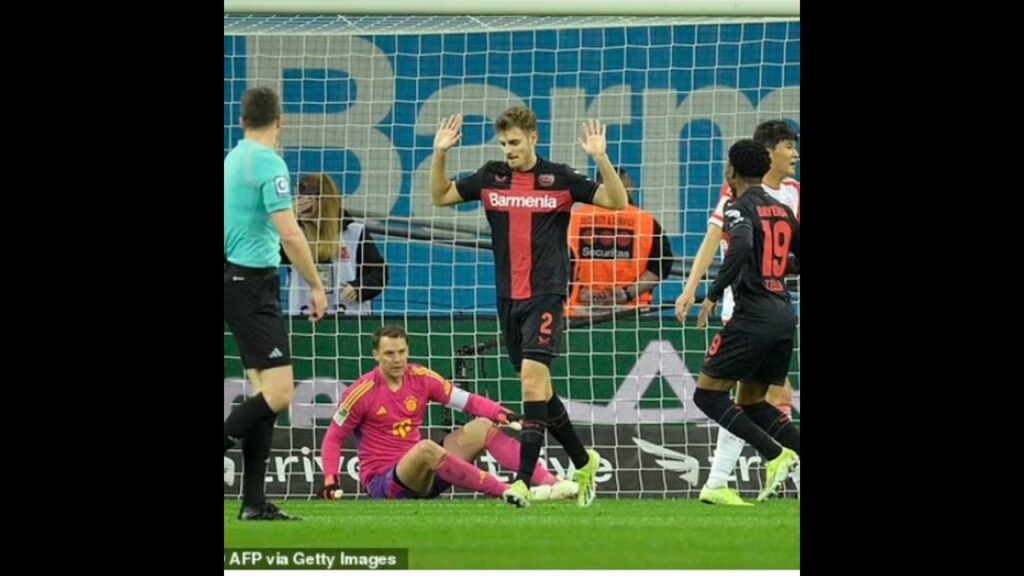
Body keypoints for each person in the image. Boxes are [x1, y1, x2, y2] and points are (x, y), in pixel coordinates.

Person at [429, 107, 629, 507]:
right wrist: (440, 153)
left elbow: (616, 201)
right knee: (541, 390)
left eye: (515, 142)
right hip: (508, 299)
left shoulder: (560, 178)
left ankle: (522, 481)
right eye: (504, 143)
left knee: (532, 385)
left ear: (534, 138)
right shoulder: (490, 177)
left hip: (546, 295)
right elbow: (440, 196)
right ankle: (583, 461)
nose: (509, 150)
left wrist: (600, 157)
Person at [675, 120, 801, 505]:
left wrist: (711, 294)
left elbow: (741, 245)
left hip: (752, 314)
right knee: (753, 402)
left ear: (732, 171)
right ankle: (721, 482)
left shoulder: (738, 206)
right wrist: (776, 267)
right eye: (789, 146)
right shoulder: (783, 209)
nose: (795, 153)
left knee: (707, 395)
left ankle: (776, 455)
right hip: (783, 312)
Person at [318, 325, 578, 506]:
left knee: (482, 426)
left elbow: (468, 401)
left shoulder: (421, 377)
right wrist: (331, 479)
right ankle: (509, 491)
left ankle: (553, 484)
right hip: (386, 484)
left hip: (426, 476)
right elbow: (333, 437)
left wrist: (504, 414)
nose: (397, 359)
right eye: (389, 354)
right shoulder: (361, 392)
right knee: (425, 448)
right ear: (376, 355)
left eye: (401, 352)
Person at [223, 86, 327, 521]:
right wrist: (316, 285)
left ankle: (253, 502)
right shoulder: (269, 162)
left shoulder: (233, 158)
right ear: (280, 122)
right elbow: (290, 234)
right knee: (281, 393)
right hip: (252, 284)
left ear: (242, 120)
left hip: (238, 278)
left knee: (264, 396)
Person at [566, 166, 674, 317]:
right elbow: (661, 266)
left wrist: (577, 291)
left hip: (581, 310)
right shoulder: (646, 221)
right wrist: (626, 294)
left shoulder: (573, 219)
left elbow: (554, 263)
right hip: (631, 312)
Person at [284, 172, 388, 316]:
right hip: (304, 315)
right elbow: (271, 254)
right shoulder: (293, 234)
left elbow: (379, 273)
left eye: (310, 198)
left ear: (325, 201)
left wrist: (358, 287)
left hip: (349, 317)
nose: (302, 203)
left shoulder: (354, 233)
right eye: (299, 197)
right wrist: (287, 219)